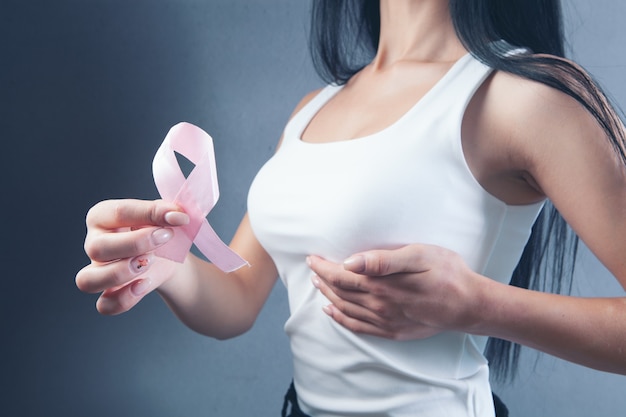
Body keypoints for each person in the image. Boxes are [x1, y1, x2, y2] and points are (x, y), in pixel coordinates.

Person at [75, 0, 626, 416]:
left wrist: (478, 305)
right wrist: (161, 263)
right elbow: (237, 301)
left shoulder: (527, 96)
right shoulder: (312, 109)